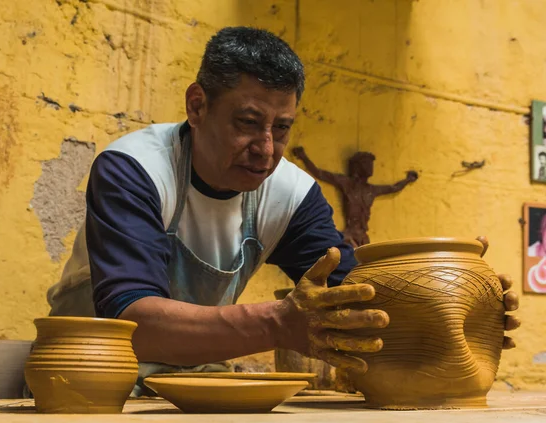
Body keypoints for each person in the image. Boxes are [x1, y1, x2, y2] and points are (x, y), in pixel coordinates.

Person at [45, 27, 520, 395]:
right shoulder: (135, 169)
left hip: (195, 387)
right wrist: (276, 323)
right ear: (197, 105)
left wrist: (465, 306)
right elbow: (133, 327)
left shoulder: (289, 192)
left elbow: (356, 303)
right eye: (248, 123)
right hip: (89, 384)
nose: (266, 149)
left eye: (283, 128)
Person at [291, 147, 417, 247]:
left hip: (362, 236)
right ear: (358, 166)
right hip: (349, 234)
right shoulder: (346, 184)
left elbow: (393, 188)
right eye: (367, 163)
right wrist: (304, 157)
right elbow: (320, 173)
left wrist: (407, 180)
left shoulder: (371, 190)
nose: (370, 167)